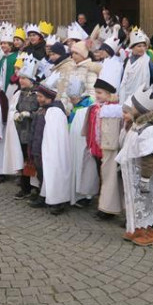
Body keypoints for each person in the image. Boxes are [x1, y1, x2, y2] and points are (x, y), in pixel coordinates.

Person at [117, 84, 153, 246]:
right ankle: (139, 227)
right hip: (134, 170)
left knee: (152, 200)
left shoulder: (151, 130)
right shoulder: (138, 124)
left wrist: (145, 178)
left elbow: (149, 156)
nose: (131, 107)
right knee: (138, 201)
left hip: (146, 173)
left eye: (134, 106)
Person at [28, 72, 71, 215]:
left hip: (51, 151)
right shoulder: (43, 110)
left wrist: (47, 150)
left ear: (48, 97)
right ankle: (44, 195)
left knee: (53, 173)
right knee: (42, 174)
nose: (38, 99)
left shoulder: (55, 112)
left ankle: (57, 200)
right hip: (39, 147)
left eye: (40, 96)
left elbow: (55, 136)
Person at [87, 57, 124, 220]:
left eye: (100, 93)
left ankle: (108, 209)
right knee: (103, 177)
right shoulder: (96, 108)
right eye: (96, 92)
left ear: (110, 95)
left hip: (110, 148)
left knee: (110, 179)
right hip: (97, 147)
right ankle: (103, 205)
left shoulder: (114, 110)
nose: (97, 95)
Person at [3, 54, 40, 198]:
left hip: (32, 132)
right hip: (20, 132)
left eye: (24, 78)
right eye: (20, 78)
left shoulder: (37, 94)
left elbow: (40, 110)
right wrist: (16, 114)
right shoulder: (19, 93)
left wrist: (29, 114)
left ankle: (35, 187)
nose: (21, 80)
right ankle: (25, 187)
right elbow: (13, 108)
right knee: (23, 159)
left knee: (32, 160)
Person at [66, 77, 98, 207]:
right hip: (74, 141)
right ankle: (76, 193)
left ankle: (86, 195)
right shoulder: (76, 107)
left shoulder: (87, 108)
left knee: (85, 168)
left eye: (73, 99)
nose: (71, 101)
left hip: (83, 143)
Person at [119, 29, 153, 106]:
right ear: (132, 47)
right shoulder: (127, 60)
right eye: (139, 46)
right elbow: (123, 78)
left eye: (144, 46)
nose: (142, 48)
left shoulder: (148, 61)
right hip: (127, 96)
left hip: (141, 97)